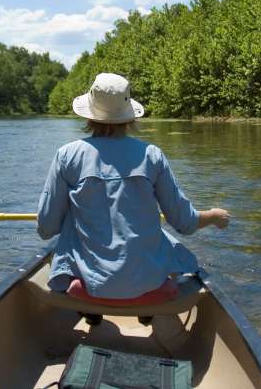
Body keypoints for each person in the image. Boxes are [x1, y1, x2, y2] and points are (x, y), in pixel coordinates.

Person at [37, 73, 229, 305]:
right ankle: (147, 315)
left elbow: (46, 228)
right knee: (166, 244)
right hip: (151, 290)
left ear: (89, 115)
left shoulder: (66, 156)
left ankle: (90, 315)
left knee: (71, 231)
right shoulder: (152, 155)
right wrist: (214, 216)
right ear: (129, 117)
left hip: (85, 288)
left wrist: (71, 212)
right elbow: (184, 223)